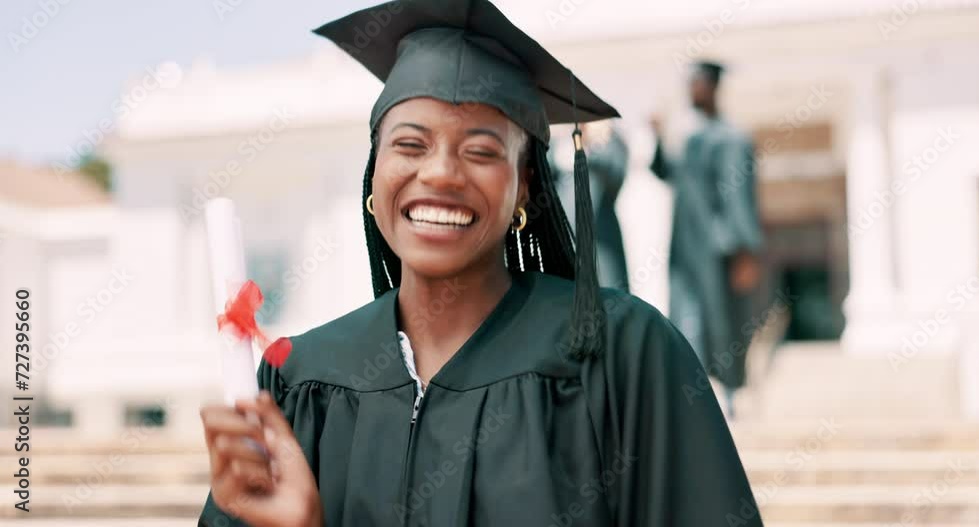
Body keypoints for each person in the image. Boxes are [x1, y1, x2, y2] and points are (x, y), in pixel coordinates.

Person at [198, 3, 762, 526]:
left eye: (481, 150)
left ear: (524, 190)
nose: (440, 174)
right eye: (410, 145)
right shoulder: (299, 381)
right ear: (373, 178)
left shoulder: (622, 353)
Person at [649, 61, 764, 414]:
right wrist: (657, 136)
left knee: (721, 322)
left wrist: (744, 249)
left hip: (719, 249)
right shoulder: (691, 139)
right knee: (686, 319)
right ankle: (695, 398)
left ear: (713, 87)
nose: (691, 90)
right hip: (686, 248)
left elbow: (739, 198)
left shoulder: (730, 138)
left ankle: (727, 394)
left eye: (697, 83)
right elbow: (666, 172)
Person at [549, 121, 631, 292]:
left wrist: (591, 147)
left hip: (600, 243)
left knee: (609, 297)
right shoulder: (558, 150)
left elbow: (615, 168)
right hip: (566, 245)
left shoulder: (608, 149)